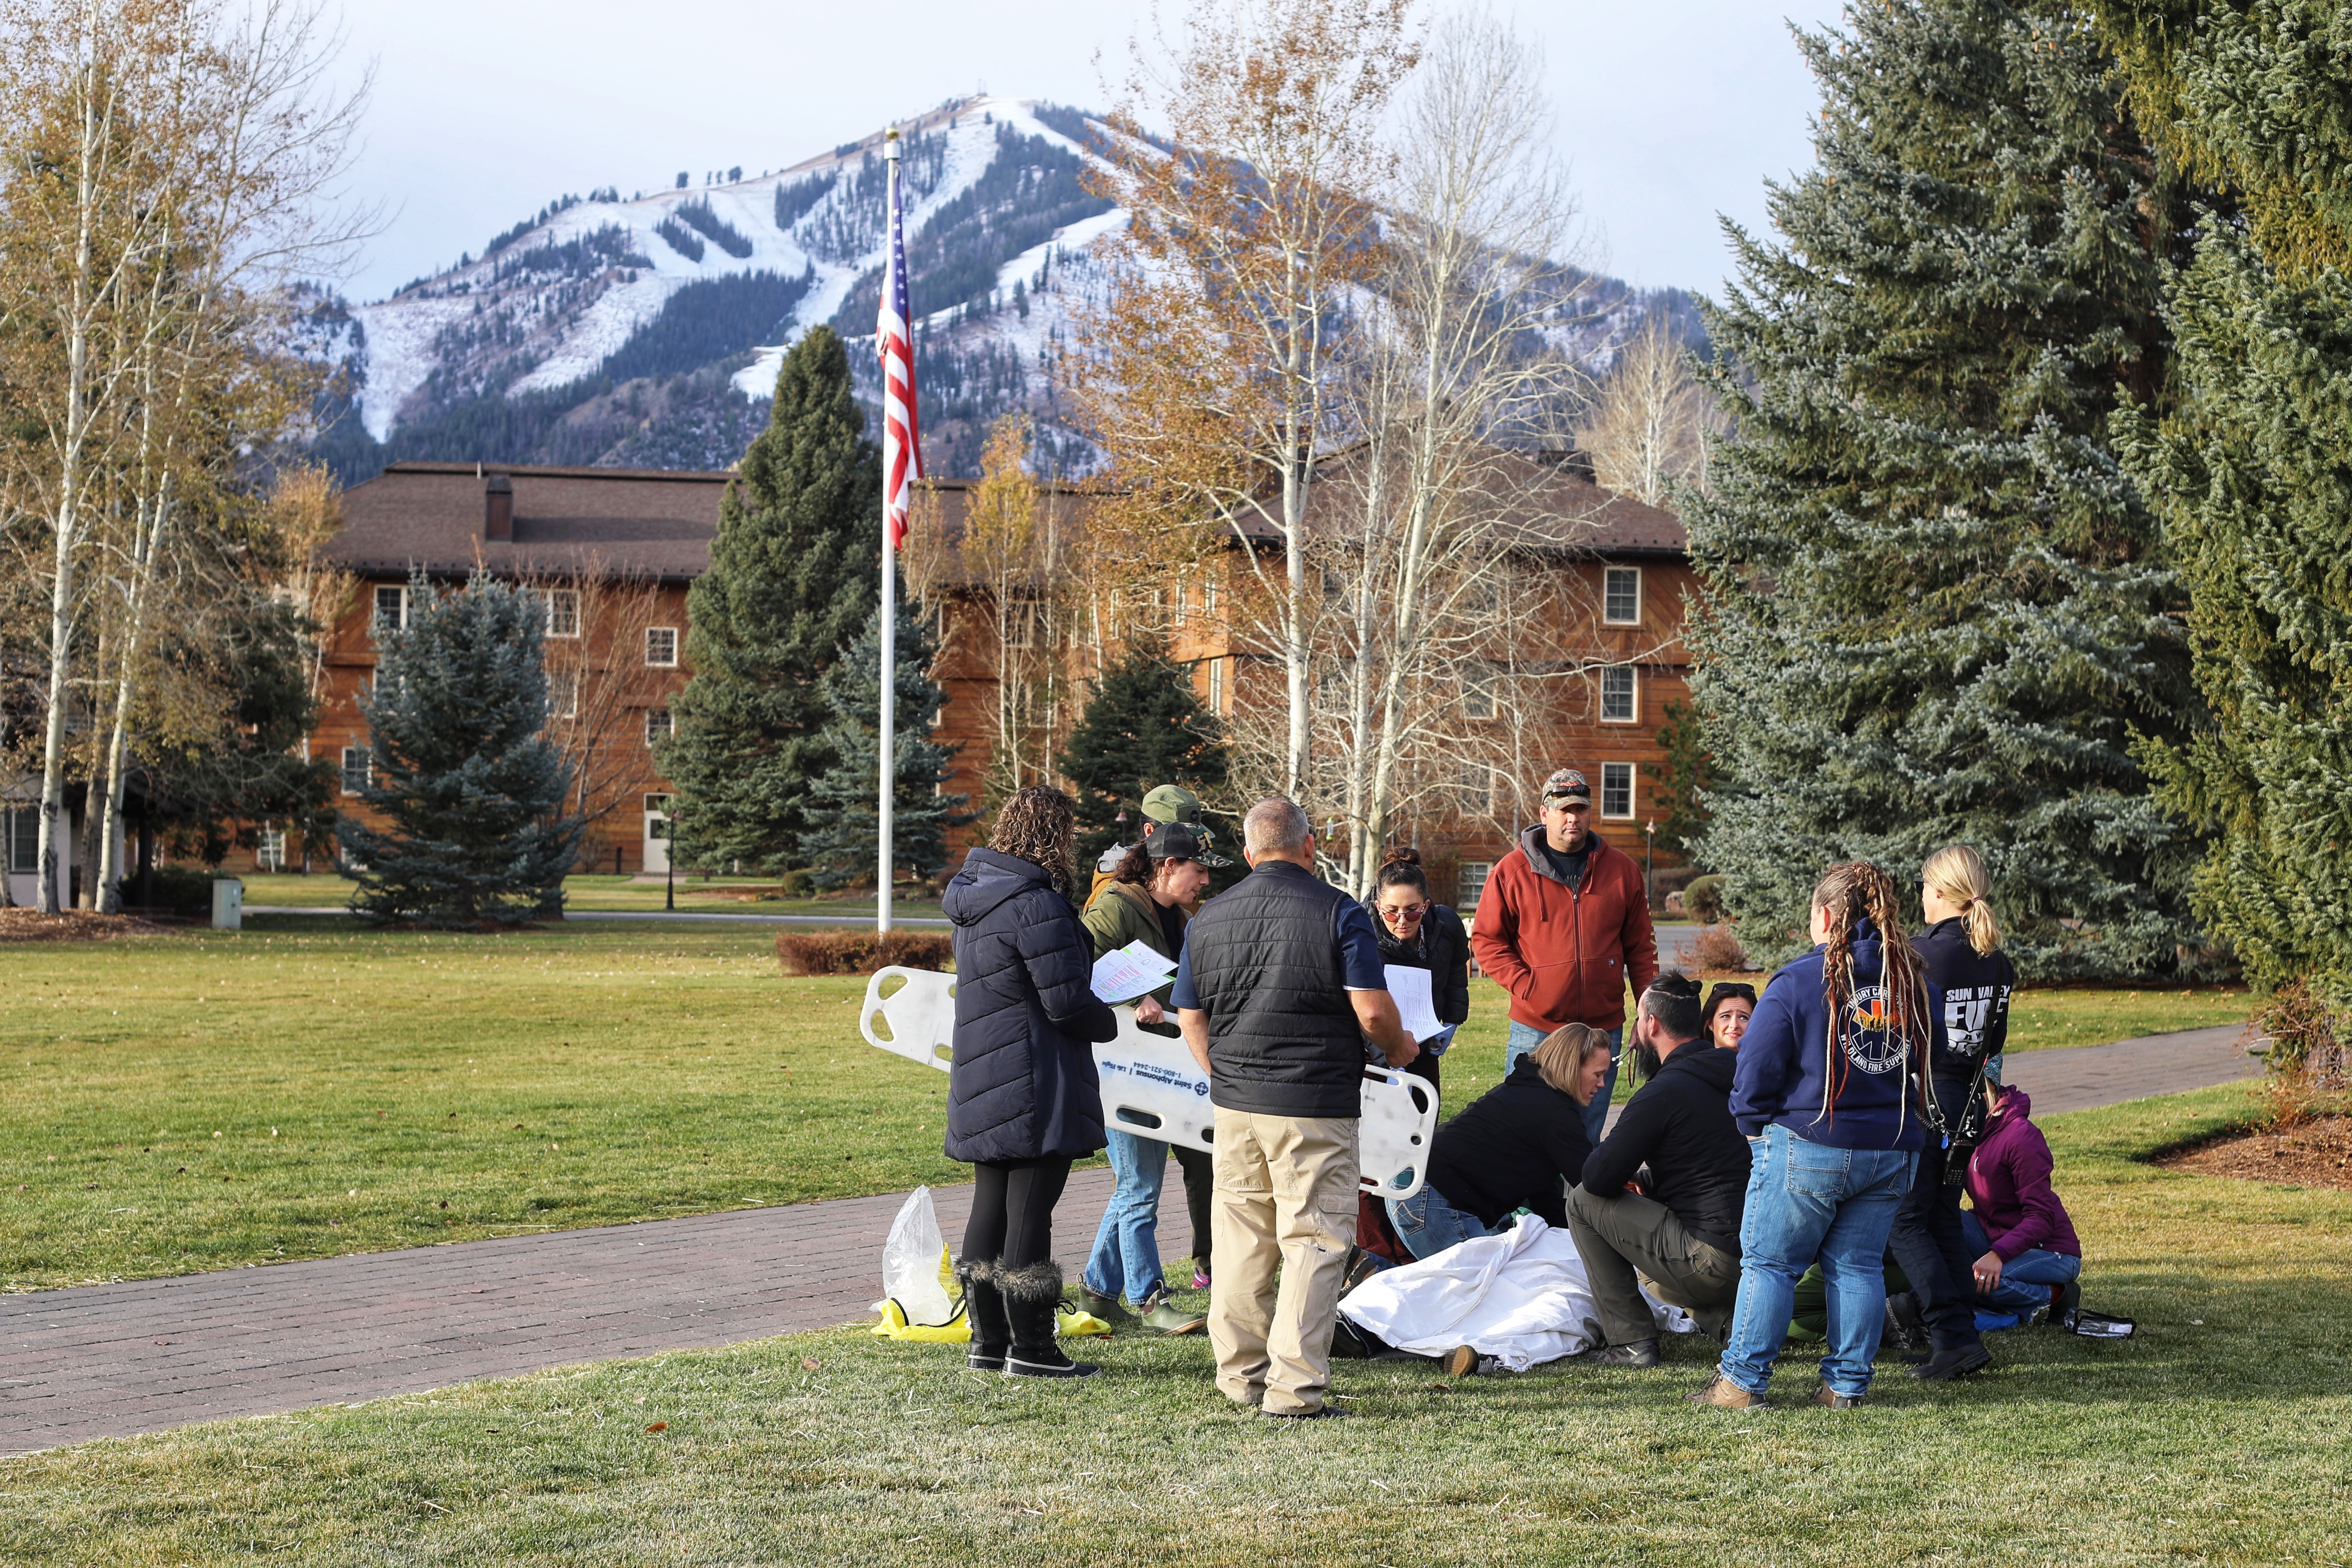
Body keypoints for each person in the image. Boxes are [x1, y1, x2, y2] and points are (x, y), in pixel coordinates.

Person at [1173, 797, 1418, 1419]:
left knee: (1240, 1241)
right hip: (1313, 1102)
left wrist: (1219, 1073)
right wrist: (1400, 1046)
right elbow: (1369, 1008)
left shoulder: (1208, 916)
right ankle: (1293, 1388)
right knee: (1313, 1241)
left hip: (1236, 1105)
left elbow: (1190, 1016)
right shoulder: (1338, 911)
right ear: (1308, 847)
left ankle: (1239, 1376)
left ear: (1249, 853)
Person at [1696, 861, 1943, 1412]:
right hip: (1891, 1148)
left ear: (1825, 915)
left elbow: (1755, 1068)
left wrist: (1751, 1125)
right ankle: (1846, 1387)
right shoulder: (1912, 980)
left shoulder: (1799, 979)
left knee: (1771, 1264)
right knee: (1857, 1266)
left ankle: (1741, 1383)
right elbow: (1936, 1056)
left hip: (1810, 1143)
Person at [943, 785, 1121, 1380]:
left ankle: (988, 1343)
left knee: (989, 1204)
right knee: (1028, 1212)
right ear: (1053, 837)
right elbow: (1066, 1003)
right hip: (1034, 1076)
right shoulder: (1036, 902)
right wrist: (1109, 1020)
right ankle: (1032, 1349)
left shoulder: (975, 900)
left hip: (983, 1072)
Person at [1568, 973, 1752, 1365]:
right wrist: (1645, 1180)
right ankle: (1733, 1324)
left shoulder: (1662, 1093)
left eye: (1638, 1020)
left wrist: (1628, 1175)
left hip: (1717, 1262)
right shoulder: (1742, 1073)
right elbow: (1711, 1167)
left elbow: (1597, 1178)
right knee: (1662, 1229)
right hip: (1763, 1256)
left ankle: (1631, 1341)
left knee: (1581, 1201)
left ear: (1651, 1024)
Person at [1469, 767, 1659, 1146]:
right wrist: (1528, 986)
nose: (1573, 818)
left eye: (1581, 809)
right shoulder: (1511, 872)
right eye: (1563, 810)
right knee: (1522, 1131)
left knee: (1586, 1135)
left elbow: (1640, 948)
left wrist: (1646, 1010)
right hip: (1536, 1028)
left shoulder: (1622, 872)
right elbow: (1486, 940)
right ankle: (1523, 1207)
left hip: (1600, 1028)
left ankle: (1575, 1207)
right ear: (1544, 814)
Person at [1886, 843, 2018, 1379]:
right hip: (1968, 1104)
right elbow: (1998, 1038)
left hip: (1925, 1101)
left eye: (1923, 885)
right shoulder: (1998, 960)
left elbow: (1898, 1032)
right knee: (1940, 1216)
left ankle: (1951, 1332)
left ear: (1939, 891)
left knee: (1905, 1220)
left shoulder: (1919, 955)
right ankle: (1958, 1337)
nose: (1920, 895)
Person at [1077, 824, 1213, 1335]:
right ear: (1168, 866)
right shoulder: (1114, 905)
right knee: (1138, 1185)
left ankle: (1095, 1291)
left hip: (1160, 1070)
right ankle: (1150, 1298)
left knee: (1137, 1185)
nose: (1203, 881)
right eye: (1197, 870)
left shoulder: (1182, 915)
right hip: (1121, 1068)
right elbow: (1075, 968)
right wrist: (1133, 999)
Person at [1385, 1023, 1609, 1261]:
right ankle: (1366, 1268)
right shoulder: (1557, 1115)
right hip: (1434, 1196)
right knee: (1477, 1287)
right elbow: (1593, 1185)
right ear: (1573, 1068)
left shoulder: (1529, 1092)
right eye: (1598, 1074)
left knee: (1459, 1284)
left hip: (1412, 1182)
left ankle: (1365, 1267)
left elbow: (1546, 1195)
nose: (1603, 1084)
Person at [1962, 1068, 2081, 1319]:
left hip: (2051, 1250)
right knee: (1938, 1222)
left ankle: (2056, 1296)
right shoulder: (1969, 1132)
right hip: (1997, 1235)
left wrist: (1997, 1256)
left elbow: (2042, 1217)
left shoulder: (2021, 1136)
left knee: (1979, 1282)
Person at [1365, 847, 1470, 1093]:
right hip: (1373, 1052)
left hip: (1424, 1043)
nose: (1402, 920)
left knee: (1423, 1122)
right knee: (1379, 1127)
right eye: (1392, 912)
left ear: (1426, 906)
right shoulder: (1361, 934)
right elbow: (1360, 1005)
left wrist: (1453, 1021)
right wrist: (1388, 1059)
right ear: (1378, 907)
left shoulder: (1446, 926)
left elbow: (1456, 971)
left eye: (1412, 911)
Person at [1089, 783, 1233, 905]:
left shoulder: (1182, 885)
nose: (1193, 842)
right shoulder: (1114, 891)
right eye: (1179, 833)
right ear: (1150, 831)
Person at [1702, 982, 1756, 1051]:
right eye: (1726, 1016)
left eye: (1743, 1018)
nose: (1734, 1025)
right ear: (1710, 1023)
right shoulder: (1691, 1061)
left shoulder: (1766, 1061)